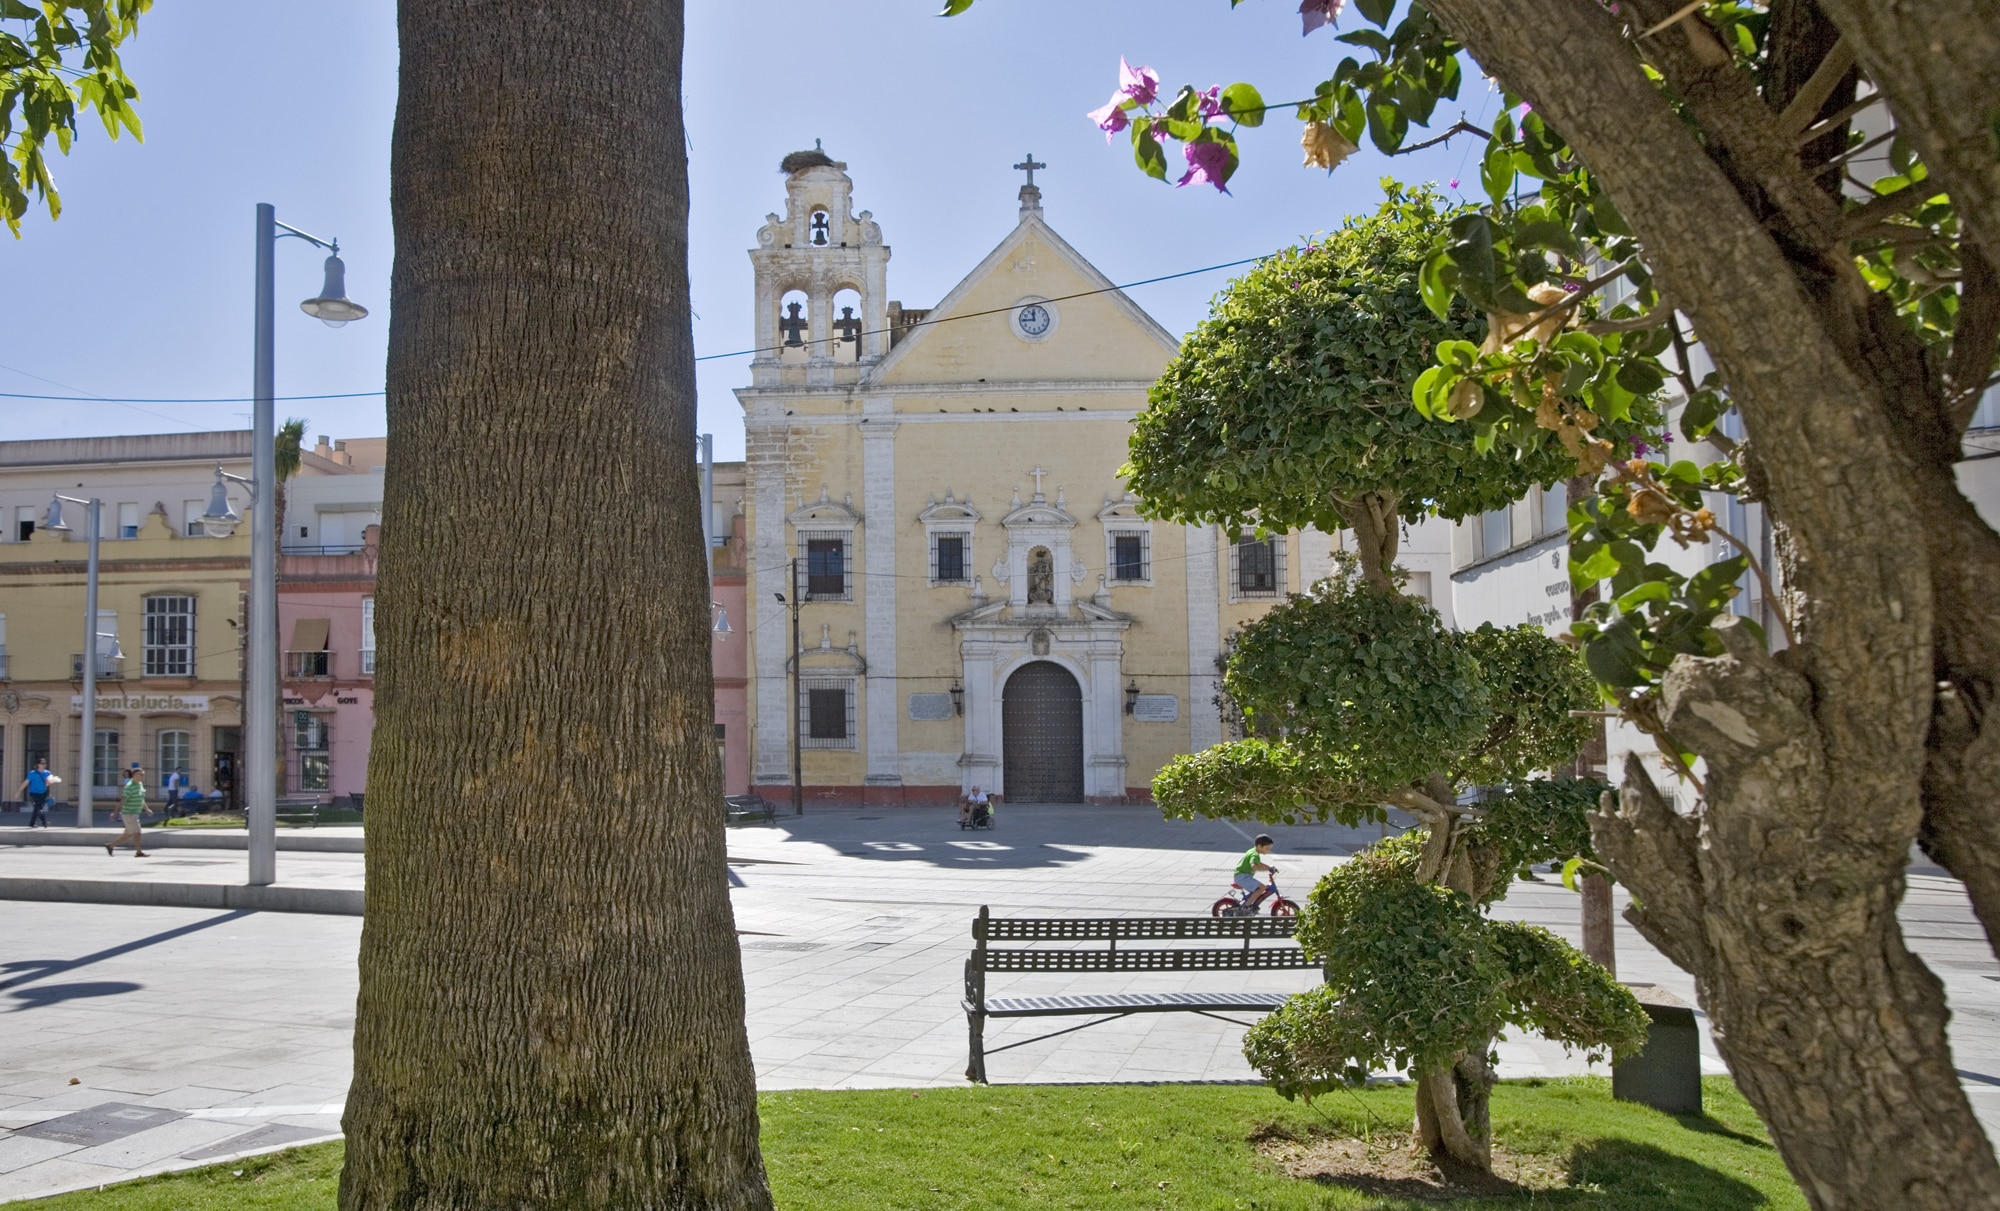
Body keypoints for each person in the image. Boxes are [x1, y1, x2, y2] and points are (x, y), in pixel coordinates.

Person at [106, 763, 150, 858]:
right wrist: (115, 812)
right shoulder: (129, 786)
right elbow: (122, 800)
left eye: (143, 775)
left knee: (128, 834)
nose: (143, 776)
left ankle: (110, 845)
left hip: (135, 813)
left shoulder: (140, 784)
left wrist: (146, 809)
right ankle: (139, 852)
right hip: (129, 813)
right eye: (140, 774)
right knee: (137, 833)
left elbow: (141, 798)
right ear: (134, 775)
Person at [1233, 834, 1276, 905]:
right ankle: (1247, 905)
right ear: (1259, 846)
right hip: (1242, 877)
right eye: (1267, 848)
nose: (1269, 851)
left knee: (1258, 888)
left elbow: (1258, 863)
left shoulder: (1253, 851)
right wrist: (1265, 870)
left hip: (1241, 876)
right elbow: (1253, 865)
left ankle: (1248, 904)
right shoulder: (1254, 854)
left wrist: (1269, 867)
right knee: (1262, 888)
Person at [16, 758, 56, 828]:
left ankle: (33, 823)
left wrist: (50, 793)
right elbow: (26, 782)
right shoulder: (32, 773)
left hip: (43, 793)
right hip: (34, 793)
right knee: (38, 807)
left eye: (45, 763)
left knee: (38, 808)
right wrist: (19, 791)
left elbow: (49, 784)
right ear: (38, 764)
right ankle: (43, 822)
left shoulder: (47, 773)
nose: (44, 765)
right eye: (42, 763)